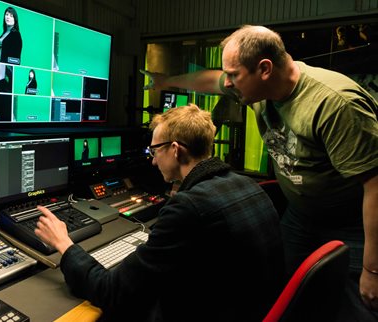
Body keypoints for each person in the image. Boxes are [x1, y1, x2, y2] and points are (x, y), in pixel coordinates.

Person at [141, 25, 378, 319]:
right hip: (301, 216)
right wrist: (166, 81)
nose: (226, 83)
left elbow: (375, 186)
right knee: (285, 295)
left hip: (353, 223)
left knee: (357, 305)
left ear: (264, 68)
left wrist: (373, 269)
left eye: (233, 75)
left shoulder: (334, 104)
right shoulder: (257, 87)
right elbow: (209, 79)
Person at [34, 104, 285, 322]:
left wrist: (64, 244)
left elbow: (111, 291)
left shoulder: (188, 207)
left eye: (155, 151)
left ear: (175, 150)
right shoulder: (247, 184)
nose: (153, 161)